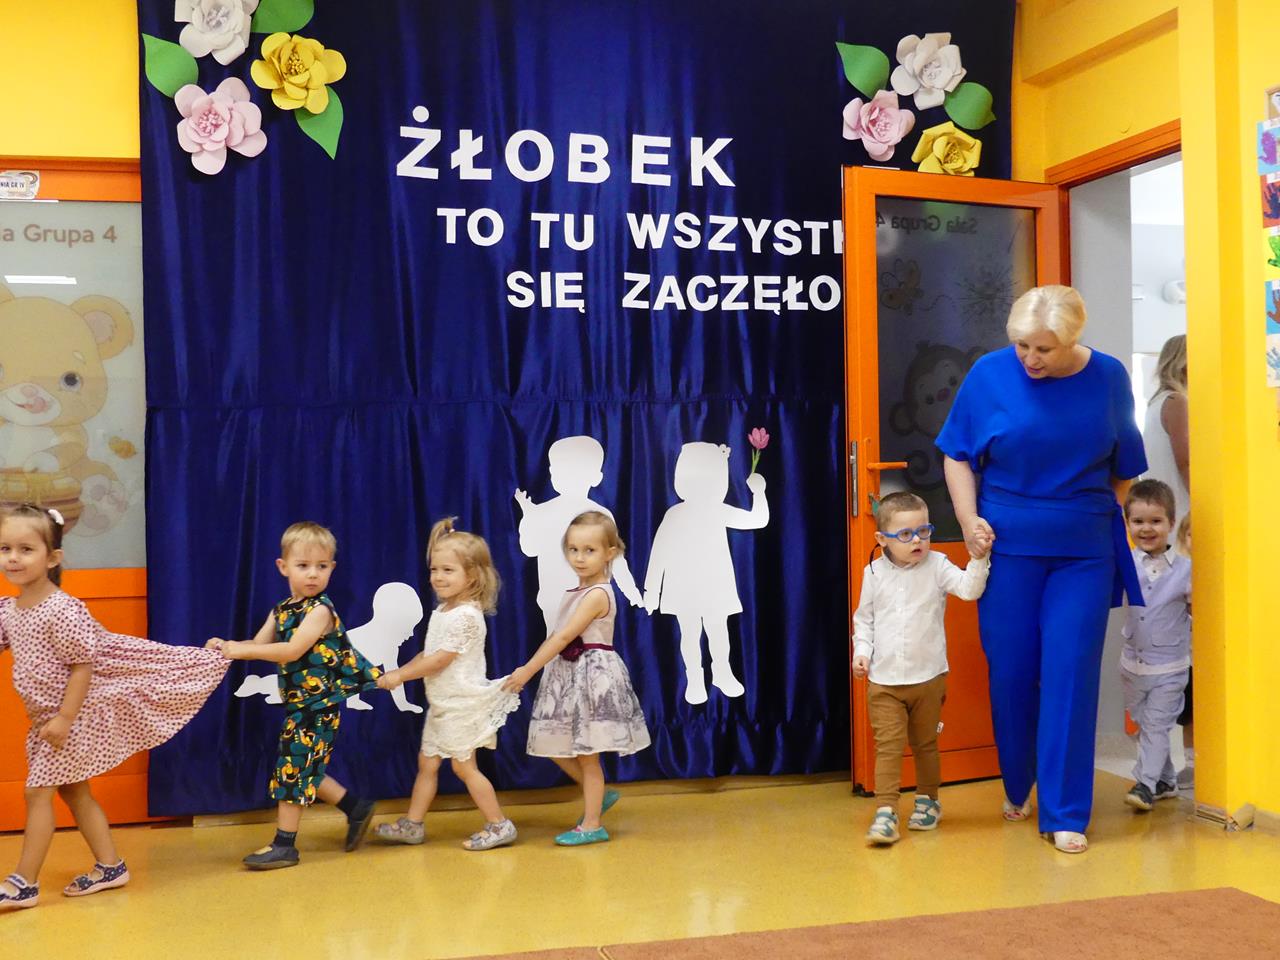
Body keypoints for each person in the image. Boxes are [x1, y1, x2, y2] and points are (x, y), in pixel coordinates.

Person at [937, 285, 1147, 854]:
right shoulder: (988, 373)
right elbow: (956, 453)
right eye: (1023, 346)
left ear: (1073, 340)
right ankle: (1019, 781)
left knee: (1070, 675)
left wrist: (1094, 517)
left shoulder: (1108, 377)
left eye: (1044, 349)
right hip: (1006, 547)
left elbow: (1125, 468)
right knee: (1011, 671)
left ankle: (1065, 812)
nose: (1030, 358)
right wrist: (968, 519)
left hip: (1083, 552)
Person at [0, 504, 227, 911]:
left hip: (69, 721)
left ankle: (24, 883)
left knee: (37, 793)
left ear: (52, 558)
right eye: (5, 549)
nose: (13, 558)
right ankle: (110, 866)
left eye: (26, 549)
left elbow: (83, 666)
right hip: (45, 723)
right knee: (75, 792)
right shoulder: (12, 611)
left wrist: (65, 718)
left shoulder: (61, 610)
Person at [207, 521, 382, 870]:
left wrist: (239, 651)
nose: (313, 574)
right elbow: (258, 644)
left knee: (292, 767)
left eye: (322, 566)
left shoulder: (320, 611)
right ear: (283, 566)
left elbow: (291, 650)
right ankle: (356, 807)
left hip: (319, 704)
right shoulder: (282, 610)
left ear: (332, 568)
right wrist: (226, 646)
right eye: (303, 565)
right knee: (305, 765)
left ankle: (284, 845)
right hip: (299, 704)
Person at [503, 511, 650, 845]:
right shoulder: (577, 590)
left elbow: (563, 637)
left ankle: (592, 824)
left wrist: (528, 669)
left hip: (590, 677)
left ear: (610, 553)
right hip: (568, 674)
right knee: (554, 744)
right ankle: (595, 792)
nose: (579, 558)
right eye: (573, 549)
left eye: (589, 550)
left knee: (587, 754)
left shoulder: (598, 593)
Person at [852, 492, 990, 845]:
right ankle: (886, 811)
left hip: (928, 677)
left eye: (924, 532)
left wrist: (979, 559)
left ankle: (928, 801)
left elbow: (969, 590)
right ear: (882, 539)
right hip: (884, 681)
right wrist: (862, 652)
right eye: (905, 534)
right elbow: (864, 620)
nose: (917, 541)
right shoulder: (873, 572)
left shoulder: (938, 565)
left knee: (925, 744)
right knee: (888, 747)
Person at [373, 518, 521, 850]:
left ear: (473, 575)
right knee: (427, 763)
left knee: (464, 767)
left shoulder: (466, 616)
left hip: (460, 704)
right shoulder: (443, 610)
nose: (438, 577)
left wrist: (400, 676)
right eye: (434, 569)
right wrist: (398, 672)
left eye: (448, 570)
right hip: (443, 703)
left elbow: (440, 661)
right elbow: (429, 653)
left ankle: (499, 824)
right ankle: (413, 825)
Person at [1118, 480, 1191, 811]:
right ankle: (1165, 780)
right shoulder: (1124, 563)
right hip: (1132, 664)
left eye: (1156, 521)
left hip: (1170, 667)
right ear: (1128, 523)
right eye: (1138, 521)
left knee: (1157, 727)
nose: (1146, 529)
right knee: (1142, 727)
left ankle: (1144, 785)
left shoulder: (1187, 570)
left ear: (1171, 523)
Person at [1143, 335, 1189, 524]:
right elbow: (1186, 462)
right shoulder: (1176, 402)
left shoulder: (1157, 402)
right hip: (1181, 510)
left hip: (1164, 508)